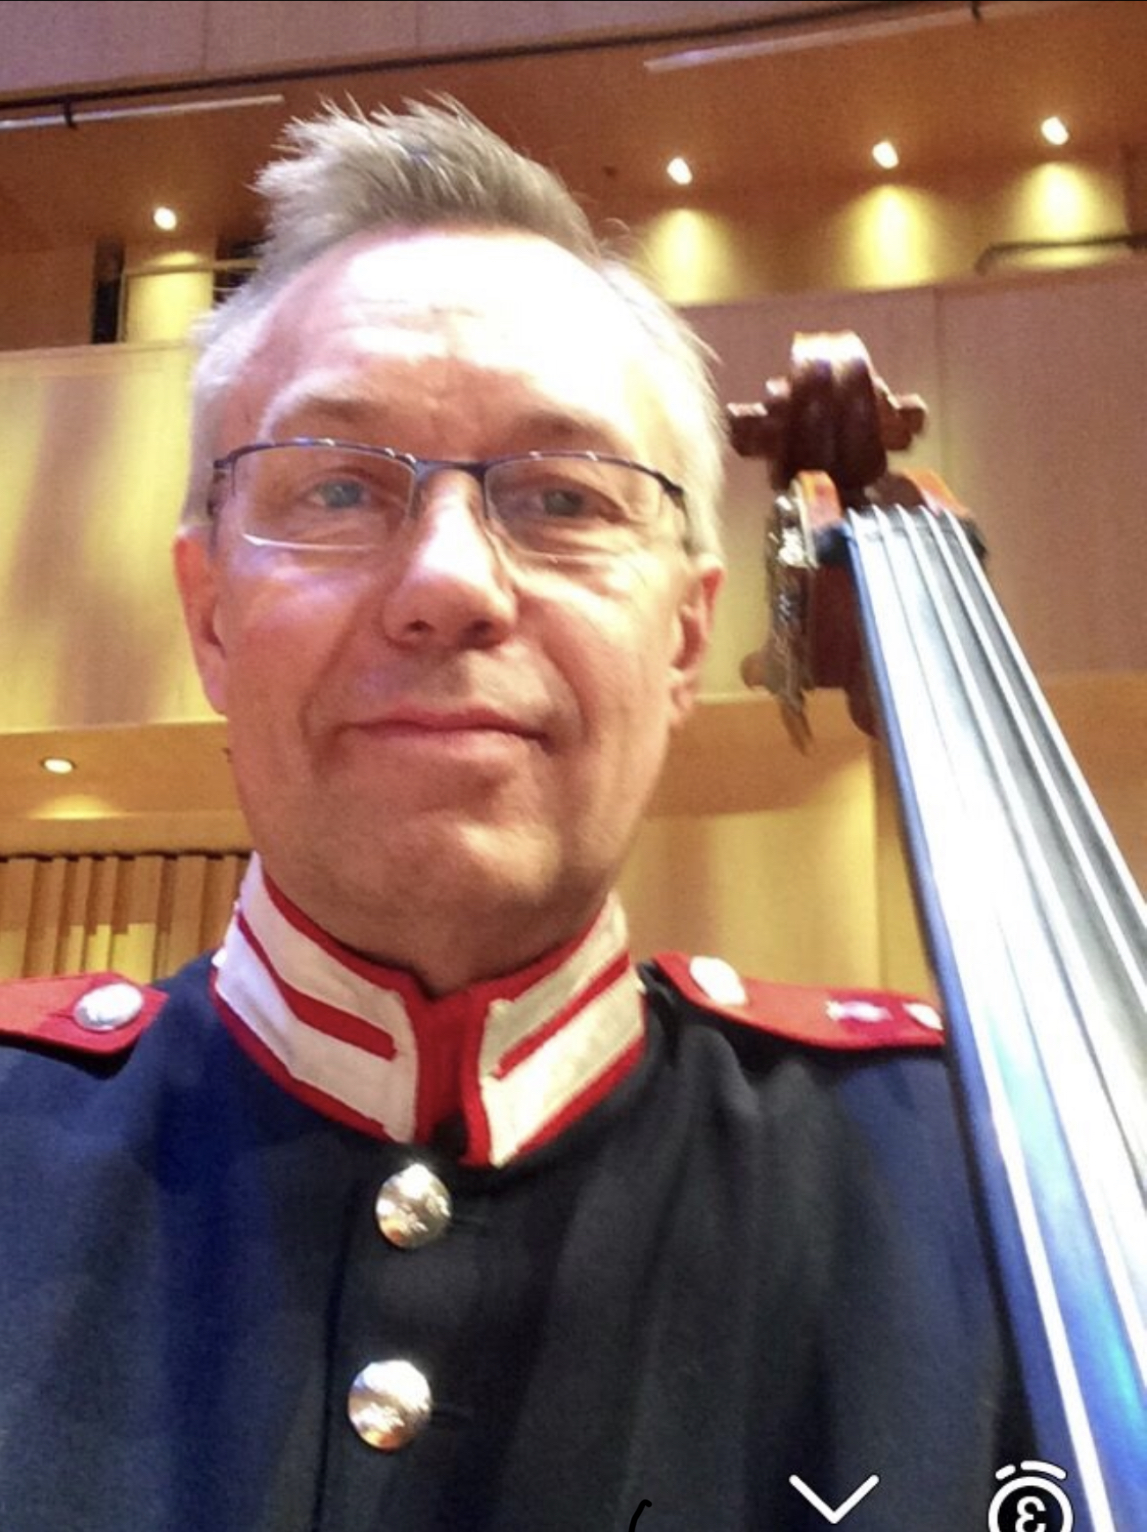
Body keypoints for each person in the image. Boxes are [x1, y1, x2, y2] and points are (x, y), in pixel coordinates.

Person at [0, 104, 1026, 1531]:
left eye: (560, 499)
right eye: (341, 486)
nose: (452, 584)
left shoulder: (987, 1192)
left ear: (685, 638)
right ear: (209, 614)